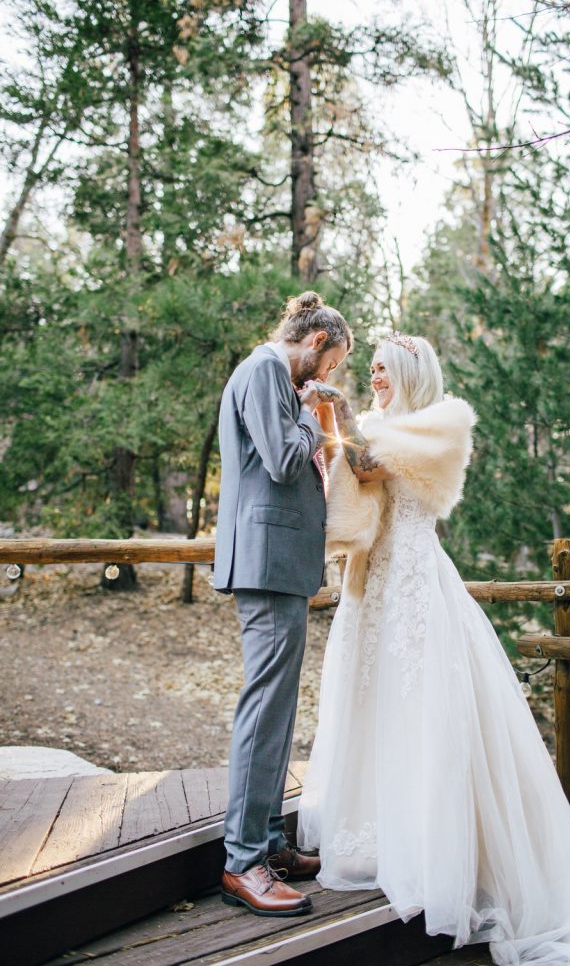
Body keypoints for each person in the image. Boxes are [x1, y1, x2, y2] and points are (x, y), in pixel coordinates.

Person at [298, 330, 570, 965]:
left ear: (411, 374)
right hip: (373, 586)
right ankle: (376, 833)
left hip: (418, 590)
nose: (375, 379)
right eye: (370, 370)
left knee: (423, 708)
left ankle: (439, 851)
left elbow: (369, 464)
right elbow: (353, 481)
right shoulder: (373, 423)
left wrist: (337, 418)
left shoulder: (439, 428)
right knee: (372, 705)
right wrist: (335, 431)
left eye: (383, 370)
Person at [213, 291, 351, 918]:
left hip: (280, 562)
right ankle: (243, 861)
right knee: (265, 707)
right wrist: (310, 410)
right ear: (316, 342)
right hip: (265, 563)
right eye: (333, 367)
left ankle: (270, 841)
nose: (331, 380)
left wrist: (305, 405)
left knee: (280, 707)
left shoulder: (276, 378)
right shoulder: (268, 370)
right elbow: (281, 459)